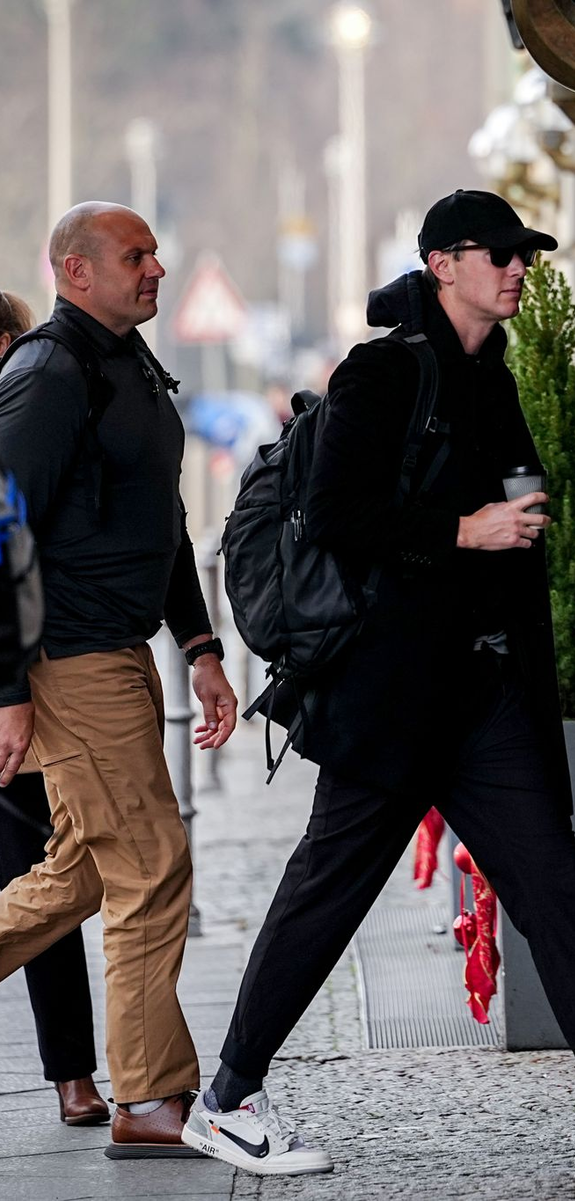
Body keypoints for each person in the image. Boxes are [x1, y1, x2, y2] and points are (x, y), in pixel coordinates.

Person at [183, 190, 575, 1176]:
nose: (517, 268)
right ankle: (227, 1097)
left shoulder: (491, 373)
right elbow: (337, 514)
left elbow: (515, 511)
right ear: (443, 265)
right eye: (498, 253)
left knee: (552, 879)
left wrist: (514, 526)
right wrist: (465, 529)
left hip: (479, 694)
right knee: (327, 893)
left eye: (525, 255)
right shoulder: (383, 371)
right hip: (387, 698)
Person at [0, 205, 238, 1158]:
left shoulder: (128, 364)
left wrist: (201, 644)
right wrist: (8, 686)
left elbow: (161, 520)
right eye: (135, 255)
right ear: (75, 270)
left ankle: (148, 1087)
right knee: (151, 865)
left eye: (155, 252)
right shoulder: (47, 374)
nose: (156, 268)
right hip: (70, 655)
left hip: (120, 648)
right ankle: (147, 1096)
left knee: (88, 869)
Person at [0, 288, 108, 1127]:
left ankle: (73, 1072)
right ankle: (74, 1075)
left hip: (22, 685)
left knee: (40, 869)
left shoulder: (30, 417)